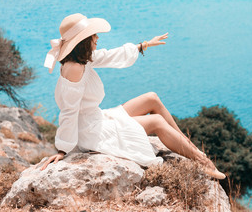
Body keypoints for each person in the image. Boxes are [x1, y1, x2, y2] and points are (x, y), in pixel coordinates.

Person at [40, 13, 225, 180]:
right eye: (92, 35)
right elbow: (69, 110)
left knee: (151, 98)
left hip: (96, 117)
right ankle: (203, 162)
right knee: (157, 121)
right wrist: (63, 148)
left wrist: (143, 45)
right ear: (82, 41)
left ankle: (187, 144)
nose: (97, 38)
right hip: (90, 130)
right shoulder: (74, 68)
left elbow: (110, 55)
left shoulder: (82, 60)